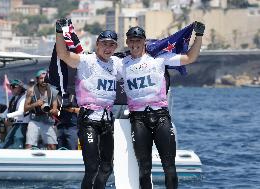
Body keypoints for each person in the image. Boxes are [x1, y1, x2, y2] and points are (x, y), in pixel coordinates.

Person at [121, 22, 205, 189]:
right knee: (144, 169)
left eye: (138, 40)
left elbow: (190, 57)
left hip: (161, 117)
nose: (135, 44)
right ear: (127, 42)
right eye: (131, 40)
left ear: (144, 41)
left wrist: (199, 36)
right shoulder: (121, 63)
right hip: (138, 119)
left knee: (169, 167)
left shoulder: (160, 59)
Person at [56, 18, 122, 189]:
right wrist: (59, 33)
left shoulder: (117, 64)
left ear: (115, 48)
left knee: (107, 167)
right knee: (92, 168)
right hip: (89, 120)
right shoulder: (86, 61)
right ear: (97, 44)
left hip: (107, 121)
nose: (108, 48)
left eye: (111, 45)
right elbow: (63, 55)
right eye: (104, 44)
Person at [24, 69, 58, 150]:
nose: (44, 80)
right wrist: (35, 104)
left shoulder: (53, 91)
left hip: (47, 120)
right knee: (29, 145)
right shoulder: (31, 91)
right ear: (37, 79)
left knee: (52, 146)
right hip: (34, 120)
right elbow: (25, 109)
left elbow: (55, 109)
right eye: (41, 78)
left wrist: (52, 111)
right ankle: (26, 161)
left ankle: (52, 161)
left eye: (45, 78)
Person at [0, 79, 29, 149]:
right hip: (15, 123)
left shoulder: (24, 97)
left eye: (13, 87)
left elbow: (21, 111)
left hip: (22, 124)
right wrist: (1, 115)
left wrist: (7, 116)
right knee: (8, 140)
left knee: (17, 139)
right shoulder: (15, 98)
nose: (11, 89)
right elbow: (8, 109)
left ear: (19, 88)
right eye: (11, 87)